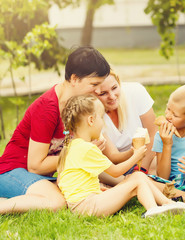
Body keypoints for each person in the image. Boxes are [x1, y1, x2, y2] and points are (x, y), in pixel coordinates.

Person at [0, 46, 111, 214]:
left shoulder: (78, 107)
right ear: (74, 79)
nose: (98, 91)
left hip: (42, 176)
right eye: (94, 84)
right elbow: (36, 166)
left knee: (85, 192)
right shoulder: (47, 108)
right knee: (56, 203)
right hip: (13, 171)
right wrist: (81, 152)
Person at [58, 94, 185, 217]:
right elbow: (115, 172)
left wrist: (95, 190)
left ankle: (166, 203)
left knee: (137, 176)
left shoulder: (72, 146)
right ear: (91, 121)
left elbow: (65, 180)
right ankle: (154, 208)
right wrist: (136, 157)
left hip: (83, 204)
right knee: (137, 179)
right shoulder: (87, 149)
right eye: (101, 117)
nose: (103, 123)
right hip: (88, 206)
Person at [95, 71, 157, 183]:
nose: (112, 96)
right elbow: (113, 157)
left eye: (114, 88)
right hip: (116, 167)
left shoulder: (135, 91)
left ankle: (134, 183)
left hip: (145, 157)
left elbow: (153, 134)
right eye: (103, 93)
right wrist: (134, 154)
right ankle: (133, 184)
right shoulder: (92, 112)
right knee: (98, 170)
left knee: (157, 161)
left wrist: (141, 169)